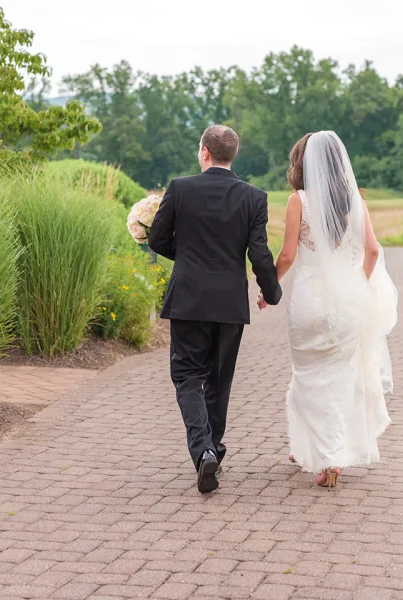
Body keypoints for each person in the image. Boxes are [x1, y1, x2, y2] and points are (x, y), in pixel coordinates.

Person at [259, 131, 397, 488]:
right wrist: (360, 286)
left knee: (307, 376)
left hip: (308, 301)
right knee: (338, 377)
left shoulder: (298, 201)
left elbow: (287, 255)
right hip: (347, 304)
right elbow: (371, 252)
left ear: (302, 163)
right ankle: (321, 453)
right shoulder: (357, 202)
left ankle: (325, 452)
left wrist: (268, 288)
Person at [149, 125, 282, 494]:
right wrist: (271, 290)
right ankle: (214, 453)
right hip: (228, 302)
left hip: (189, 297)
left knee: (188, 377)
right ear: (231, 155)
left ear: (204, 152)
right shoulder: (255, 197)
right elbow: (259, 253)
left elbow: (158, 239)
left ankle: (203, 450)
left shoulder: (180, 188)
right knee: (219, 382)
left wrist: (190, 256)